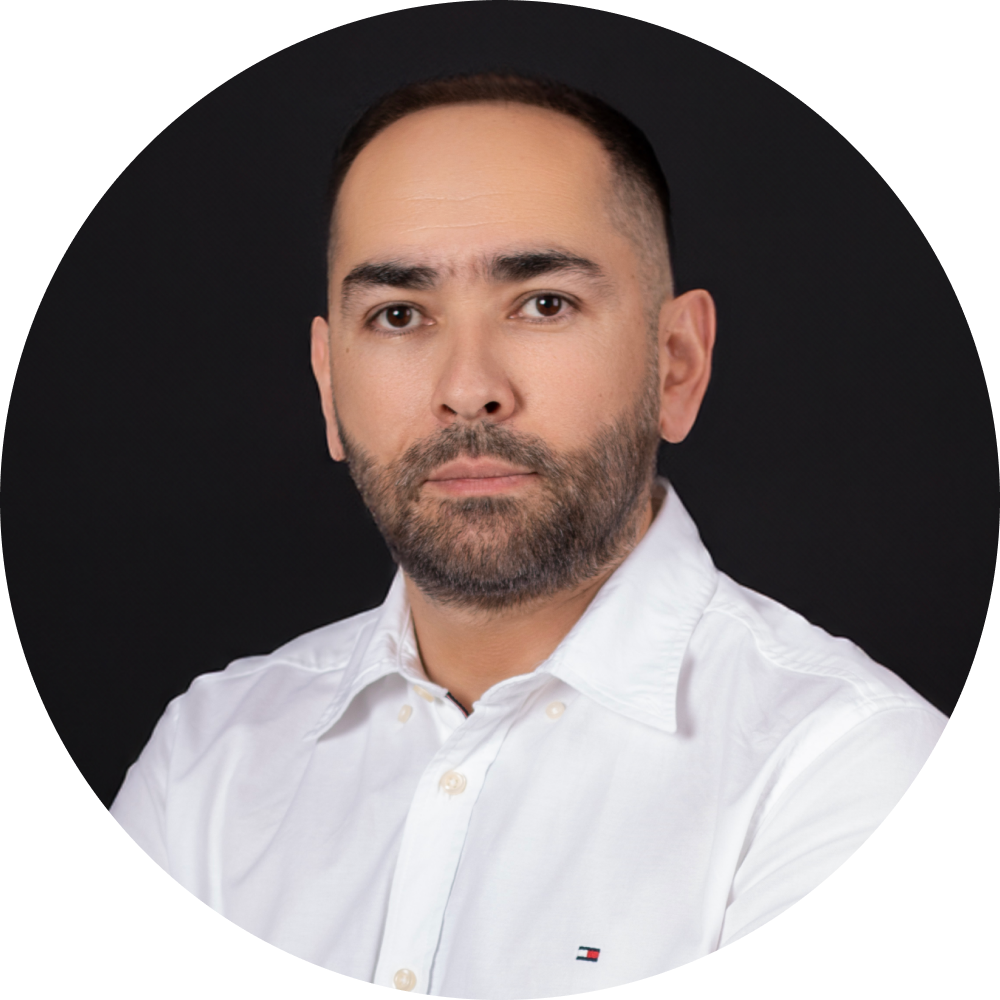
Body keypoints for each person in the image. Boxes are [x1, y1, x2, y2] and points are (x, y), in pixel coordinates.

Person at [110, 73, 947, 994]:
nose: (469, 389)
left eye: (544, 303)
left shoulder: (845, 770)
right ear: (329, 385)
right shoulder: (208, 760)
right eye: (398, 315)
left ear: (677, 364)